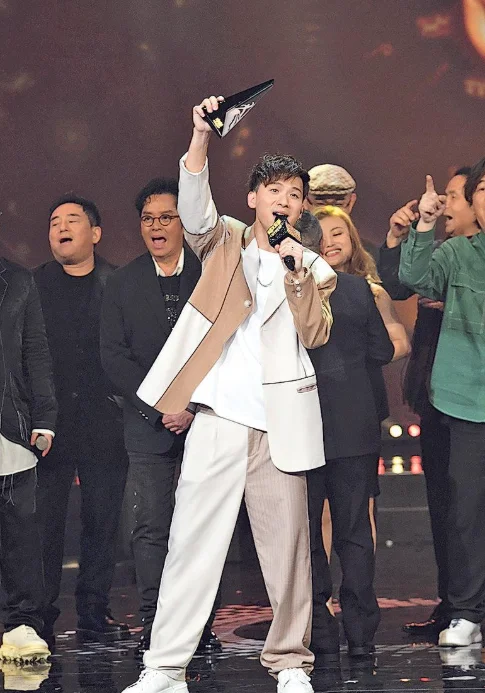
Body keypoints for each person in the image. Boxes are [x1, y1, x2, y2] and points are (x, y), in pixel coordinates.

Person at [122, 95, 337, 693]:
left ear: (302, 206)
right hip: (218, 418)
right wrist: (200, 136)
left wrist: (297, 271)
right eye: (274, 190)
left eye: (294, 194)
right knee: (191, 544)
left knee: (288, 553)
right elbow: (193, 210)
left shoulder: (314, 268)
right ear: (253, 199)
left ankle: (290, 664)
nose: (284, 200)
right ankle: (165, 667)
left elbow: (316, 333)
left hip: (279, 424)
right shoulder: (226, 243)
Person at [100, 178, 220, 659]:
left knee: (202, 528)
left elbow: (223, 347)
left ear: (183, 223)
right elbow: (114, 357)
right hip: (147, 424)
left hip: (205, 420)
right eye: (148, 219)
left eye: (166, 217)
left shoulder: (210, 275)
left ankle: (201, 625)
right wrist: (162, 406)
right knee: (150, 528)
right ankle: (155, 623)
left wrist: (191, 405)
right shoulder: (122, 282)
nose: (156, 226)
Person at [378, 168, 480, 635]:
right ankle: (458, 605)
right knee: (451, 505)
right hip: (445, 398)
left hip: (467, 394)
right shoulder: (445, 254)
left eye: (456, 197)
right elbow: (404, 281)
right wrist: (403, 233)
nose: (446, 205)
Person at [34, 195, 129, 650]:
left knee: (101, 520)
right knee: (44, 524)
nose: (61, 228)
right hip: (48, 425)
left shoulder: (118, 284)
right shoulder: (32, 286)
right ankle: (38, 615)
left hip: (103, 421)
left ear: (95, 233)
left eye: (72, 220)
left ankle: (94, 611)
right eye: (55, 222)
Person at [304, 207, 398, 662]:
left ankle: (320, 630)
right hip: (355, 427)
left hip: (303, 427)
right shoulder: (359, 290)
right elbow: (382, 349)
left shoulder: (288, 292)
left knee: (307, 534)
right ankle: (361, 634)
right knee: (355, 532)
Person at [0, 257, 57, 662]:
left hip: (10, 428)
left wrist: (44, 419)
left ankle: (22, 625)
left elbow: (35, 351)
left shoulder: (18, 281)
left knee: (20, 536)